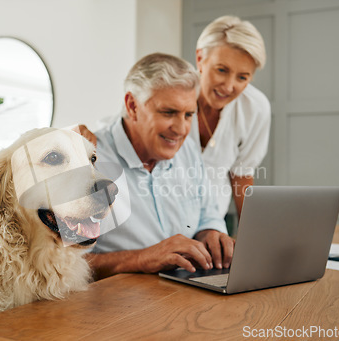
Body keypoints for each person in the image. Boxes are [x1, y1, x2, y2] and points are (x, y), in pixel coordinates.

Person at [84, 53, 234, 280]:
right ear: (132, 105)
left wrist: (211, 232)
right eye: (168, 113)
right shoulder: (88, 162)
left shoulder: (189, 151)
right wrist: (141, 258)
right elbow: (66, 265)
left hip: (187, 293)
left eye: (188, 115)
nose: (181, 129)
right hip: (117, 305)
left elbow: (208, 215)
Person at [192, 15, 271, 220]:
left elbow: (242, 176)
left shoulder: (255, 108)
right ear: (200, 59)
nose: (228, 87)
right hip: (162, 224)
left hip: (214, 223)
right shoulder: (170, 95)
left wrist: (252, 238)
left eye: (242, 77)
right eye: (221, 70)